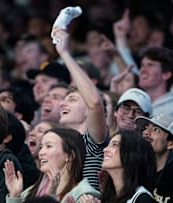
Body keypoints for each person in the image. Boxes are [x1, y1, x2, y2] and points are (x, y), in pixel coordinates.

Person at [52, 26, 109, 190]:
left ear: (87, 111)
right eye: (64, 100)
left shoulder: (92, 141)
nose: (63, 103)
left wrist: (64, 53)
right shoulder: (59, 145)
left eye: (72, 100)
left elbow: (95, 103)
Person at [4, 128, 100, 202]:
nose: (41, 152)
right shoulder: (30, 191)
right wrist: (15, 195)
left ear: (70, 156)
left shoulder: (84, 195)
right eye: (41, 147)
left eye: (49, 146)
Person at [100, 130, 156, 202]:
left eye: (114, 145)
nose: (105, 149)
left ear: (132, 153)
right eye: (108, 145)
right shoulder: (109, 195)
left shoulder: (142, 199)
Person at [138, 47, 173, 117]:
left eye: (150, 65)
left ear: (166, 74)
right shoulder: (136, 105)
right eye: (142, 65)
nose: (142, 70)